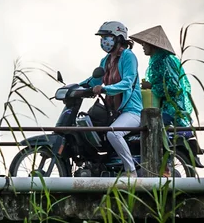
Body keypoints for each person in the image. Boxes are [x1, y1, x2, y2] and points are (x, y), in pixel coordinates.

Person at [81, 21, 143, 177]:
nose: (103, 41)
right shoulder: (106, 60)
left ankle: (131, 172)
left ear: (119, 38)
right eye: (102, 38)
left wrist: (105, 89)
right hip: (113, 111)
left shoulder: (128, 57)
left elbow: (128, 82)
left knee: (113, 133)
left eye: (107, 37)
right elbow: (95, 80)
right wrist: (75, 87)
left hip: (131, 111)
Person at [129, 25, 194, 128]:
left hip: (171, 108)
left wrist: (151, 86)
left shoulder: (163, 61)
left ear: (152, 45)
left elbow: (174, 87)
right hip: (163, 106)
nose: (143, 47)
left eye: (145, 44)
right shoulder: (156, 60)